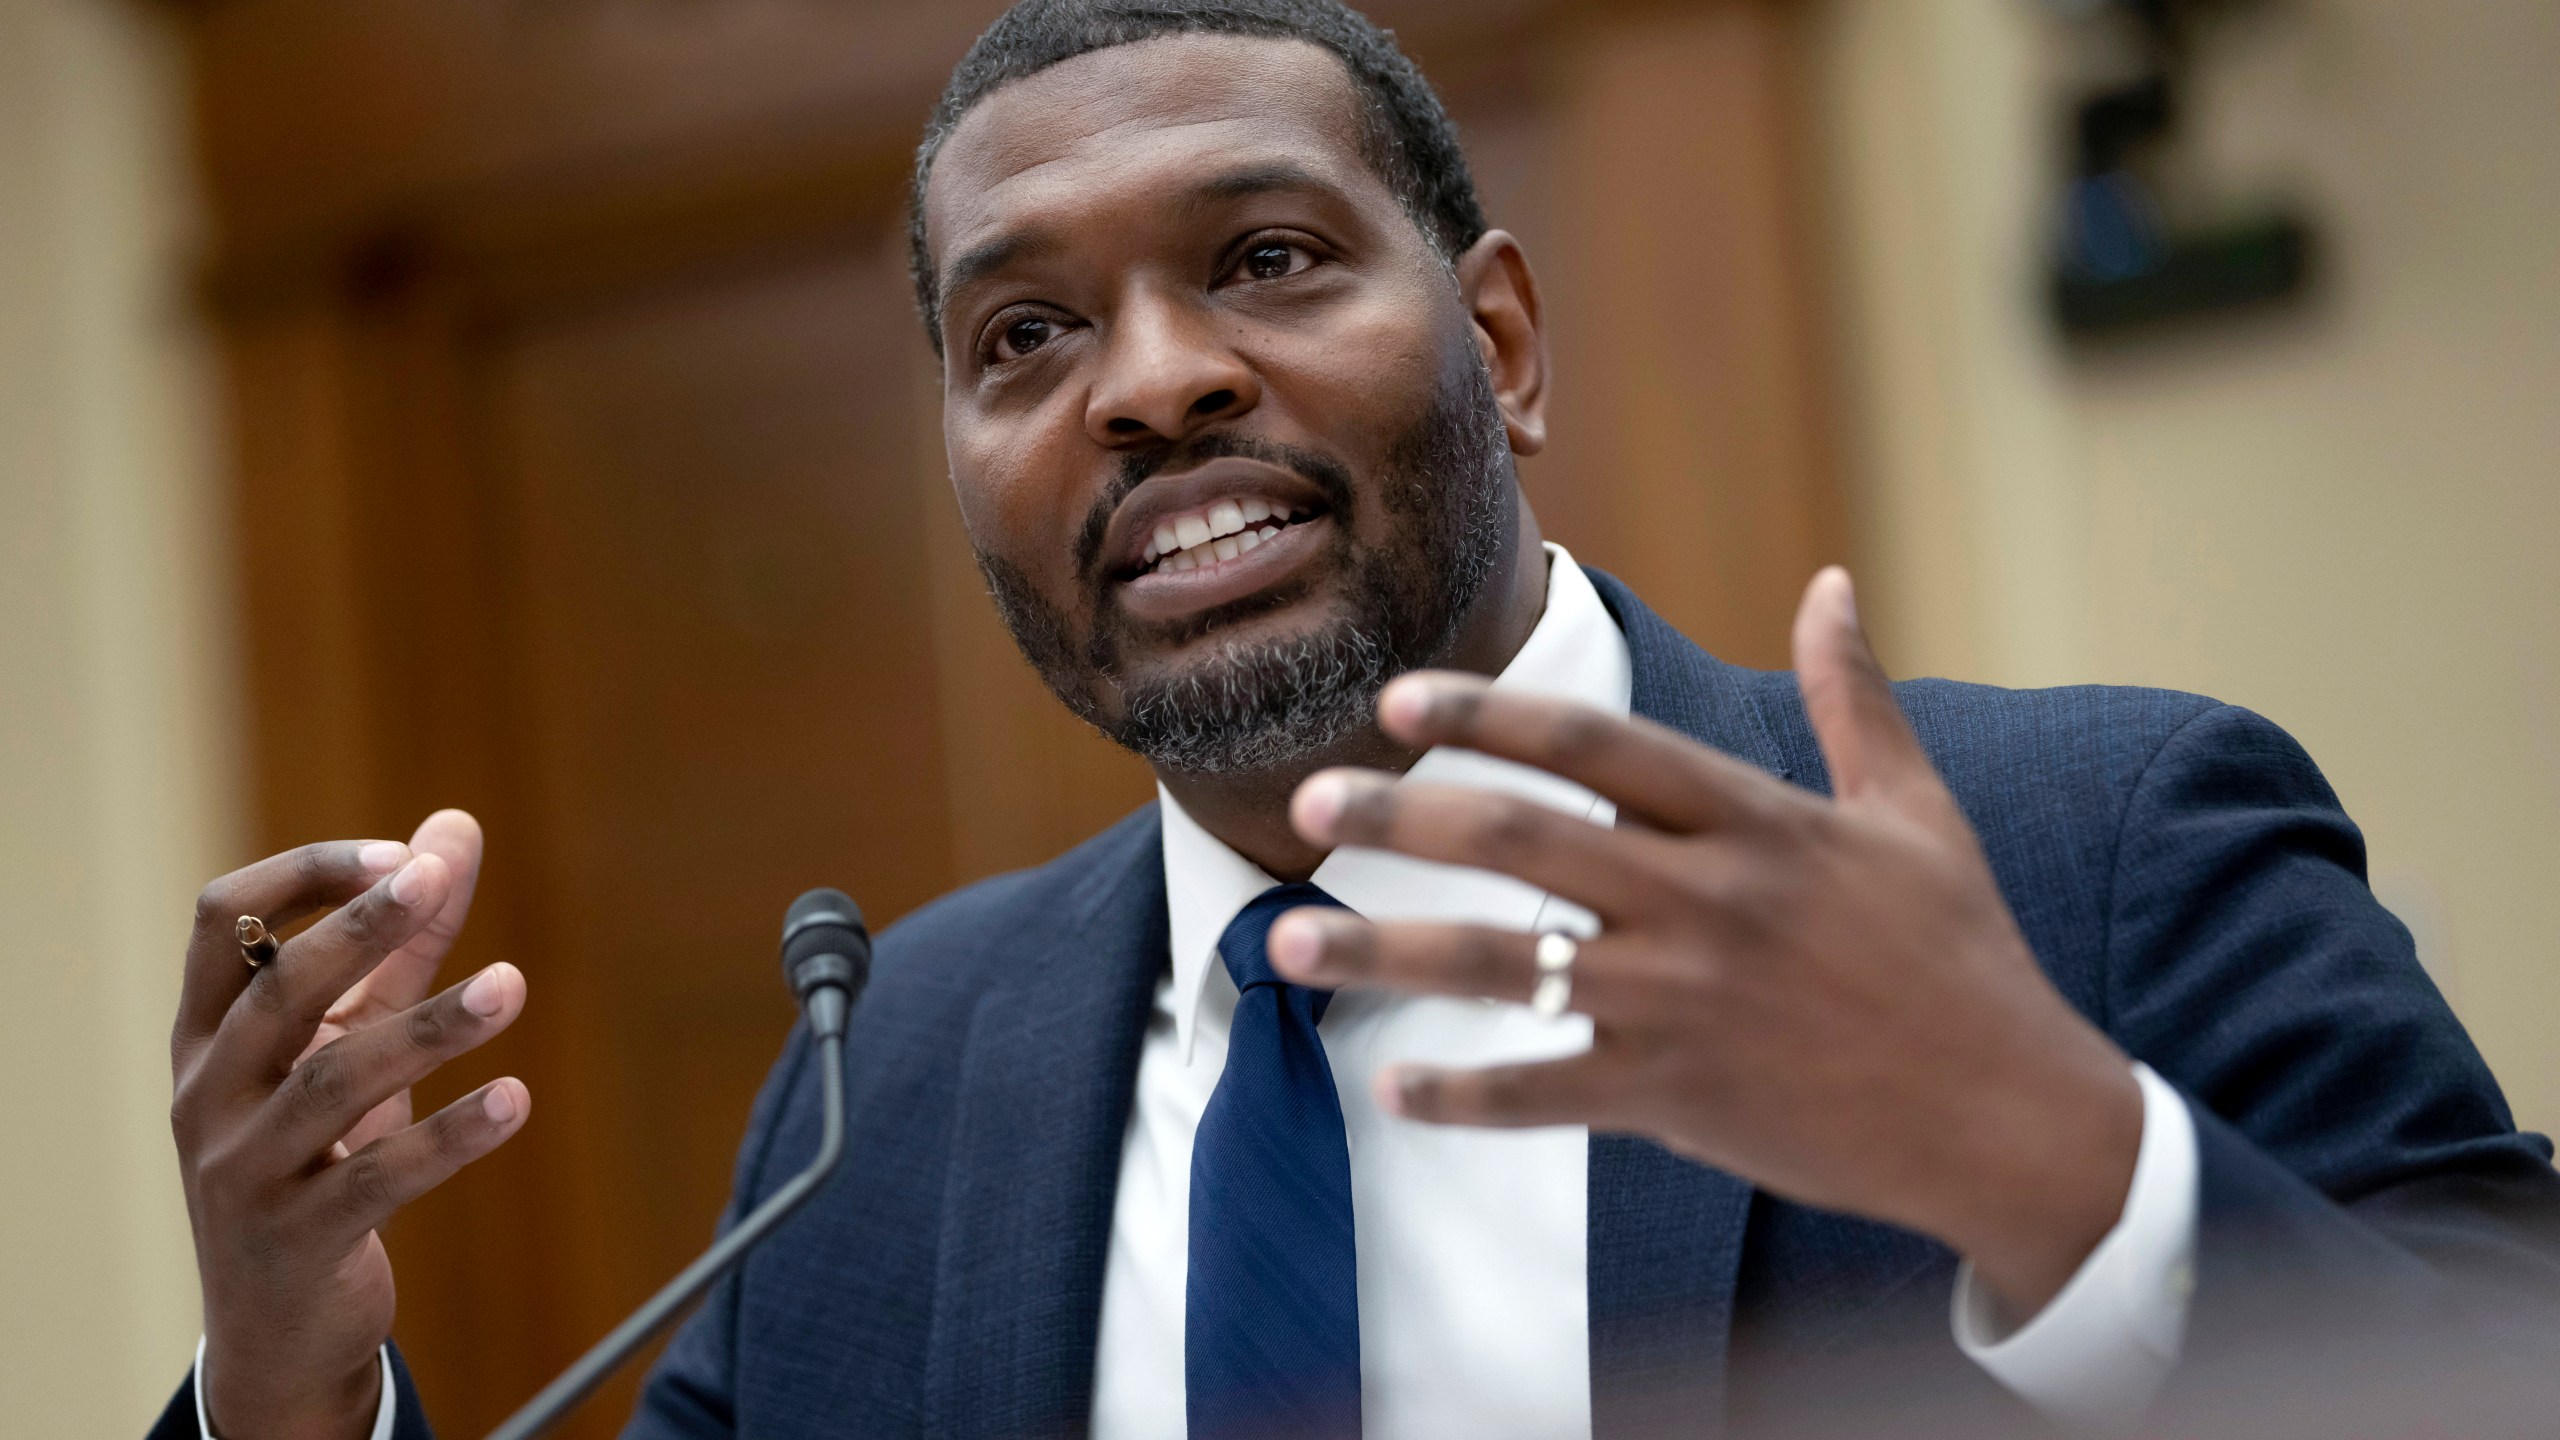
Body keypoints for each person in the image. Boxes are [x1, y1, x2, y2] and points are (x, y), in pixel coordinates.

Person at [152, 3, 2560, 1438]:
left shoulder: (2095, 847)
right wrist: (288, 1380)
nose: (1153, 382)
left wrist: (2066, 1171)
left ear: (1496, 340)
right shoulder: (893, 1082)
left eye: (1264, 262)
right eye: (1019, 339)